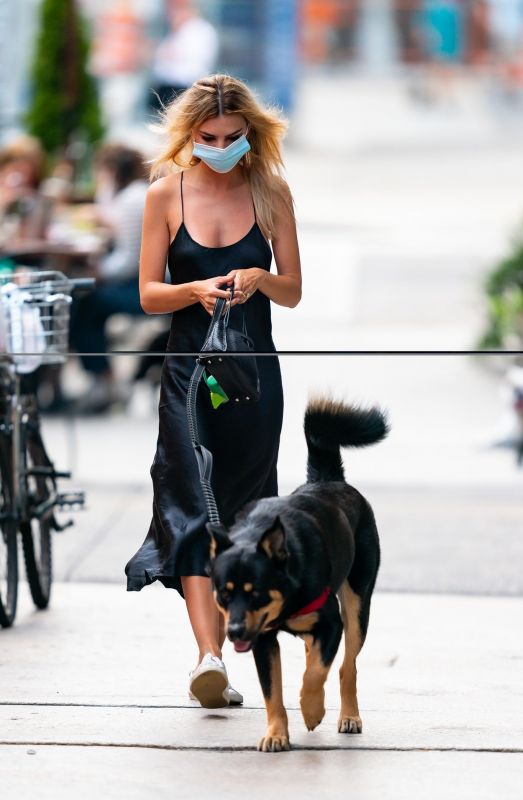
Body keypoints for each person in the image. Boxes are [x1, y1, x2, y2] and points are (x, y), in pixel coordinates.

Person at [124, 73, 302, 707]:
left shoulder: (271, 192)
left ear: (251, 135)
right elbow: (149, 294)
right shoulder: (163, 195)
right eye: (209, 137)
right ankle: (209, 658)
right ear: (189, 136)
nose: (222, 146)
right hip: (187, 378)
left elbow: (293, 290)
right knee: (190, 506)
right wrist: (194, 291)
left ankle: (236, 638)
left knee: (251, 512)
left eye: (233, 136)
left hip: (253, 377)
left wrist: (261, 274)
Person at [69, 143, 149, 413]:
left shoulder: (131, 200)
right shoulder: (136, 193)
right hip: (145, 282)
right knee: (88, 302)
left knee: (84, 303)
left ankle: (105, 380)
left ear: (112, 170)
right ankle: (105, 379)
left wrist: (97, 273)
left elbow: (129, 261)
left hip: (143, 288)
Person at [147, 0, 219, 113]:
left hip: (184, 90)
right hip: (166, 91)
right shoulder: (174, 32)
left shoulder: (201, 31)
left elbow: (192, 65)